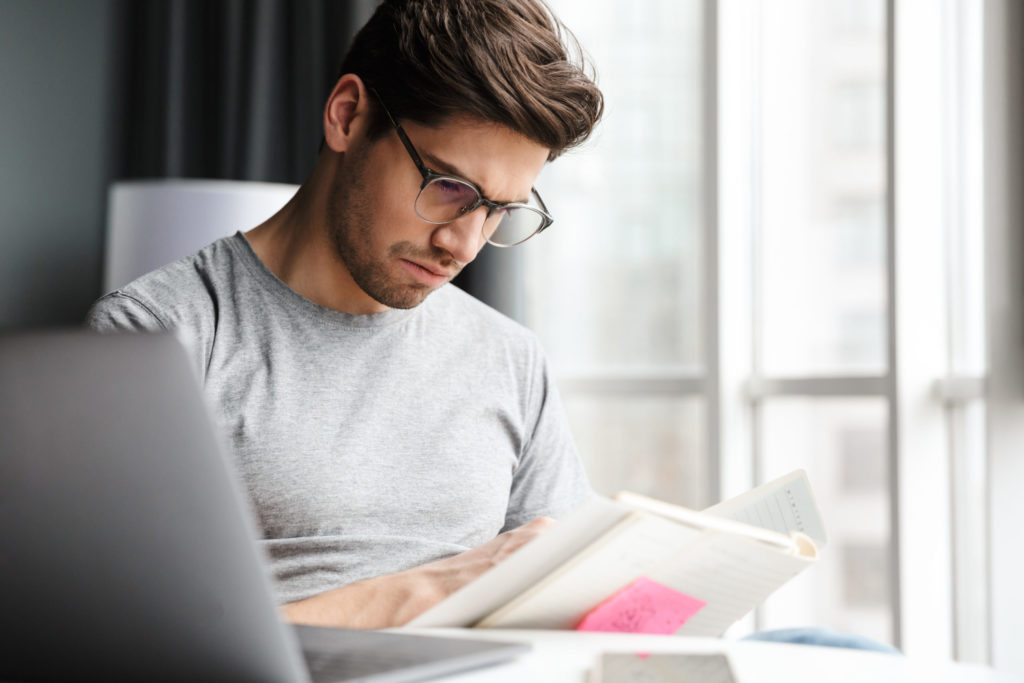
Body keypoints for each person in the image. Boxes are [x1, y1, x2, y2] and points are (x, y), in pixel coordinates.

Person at [86, 0, 603, 629]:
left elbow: (569, 602)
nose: (463, 245)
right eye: (448, 187)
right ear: (348, 116)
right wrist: (417, 595)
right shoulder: (155, 338)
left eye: (497, 210)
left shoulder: (509, 357)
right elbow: (130, 645)